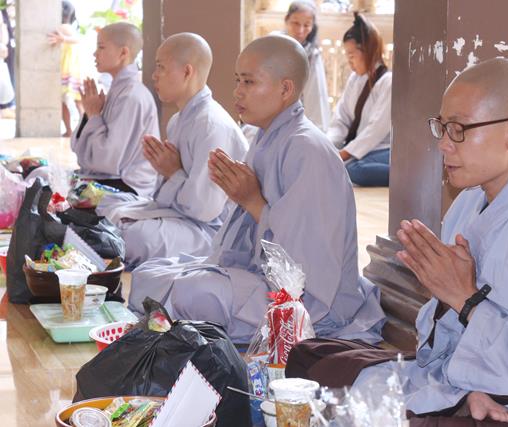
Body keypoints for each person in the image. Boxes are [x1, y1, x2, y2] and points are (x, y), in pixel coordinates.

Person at [287, 58, 508, 427]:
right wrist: (447, 305)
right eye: (442, 127)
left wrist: (465, 299)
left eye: (459, 129)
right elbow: (437, 344)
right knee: (310, 359)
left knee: (365, 416)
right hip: (463, 383)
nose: (444, 144)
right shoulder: (468, 204)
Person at [127, 35, 385, 344]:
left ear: (285, 89)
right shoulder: (265, 138)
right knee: (150, 274)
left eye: (249, 82)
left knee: (192, 292)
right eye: (237, 80)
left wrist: (252, 202)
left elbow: (307, 262)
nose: (237, 91)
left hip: (310, 302)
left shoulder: (307, 149)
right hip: (257, 273)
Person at [97, 33, 248, 268]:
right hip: (181, 217)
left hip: (210, 231)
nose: (154, 75)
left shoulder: (211, 126)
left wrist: (173, 173)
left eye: (161, 67)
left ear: (187, 72)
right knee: (107, 206)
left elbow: (204, 210)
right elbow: (163, 197)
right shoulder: (179, 120)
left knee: (137, 237)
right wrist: (168, 173)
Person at [70, 22, 159, 197]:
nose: (95, 53)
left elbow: (107, 160)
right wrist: (89, 114)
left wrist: (94, 116)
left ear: (123, 53)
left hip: (129, 186)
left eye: (101, 47)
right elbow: (76, 147)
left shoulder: (131, 96)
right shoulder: (119, 90)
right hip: (111, 178)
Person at [327, 12, 391, 187]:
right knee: (345, 166)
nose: (349, 62)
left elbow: (375, 131)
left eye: (351, 56)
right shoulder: (354, 79)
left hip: (382, 149)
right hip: (362, 150)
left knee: (353, 170)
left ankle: (404, 173)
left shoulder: (387, 82)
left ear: (368, 51)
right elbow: (341, 119)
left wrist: (342, 155)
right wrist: (328, 147)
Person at [282, 1, 330, 131]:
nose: (300, 30)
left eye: (307, 25)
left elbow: (315, 98)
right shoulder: (274, 45)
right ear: (287, 20)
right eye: (296, 23)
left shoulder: (312, 55)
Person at [47, 0, 83, 137]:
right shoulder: (68, 27)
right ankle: (77, 130)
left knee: (71, 103)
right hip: (73, 69)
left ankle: (71, 130)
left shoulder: (63, 27)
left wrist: (63, 39)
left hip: (68, 69)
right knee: (78, 102)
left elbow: (77, 40)